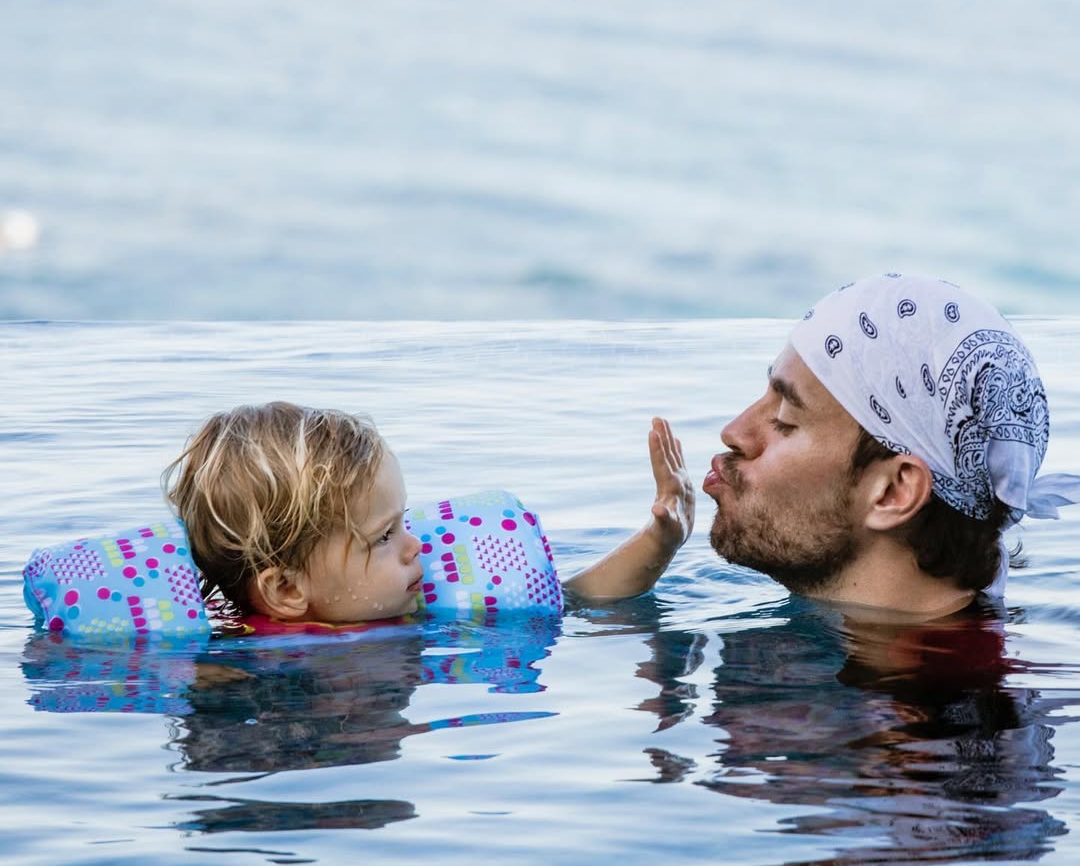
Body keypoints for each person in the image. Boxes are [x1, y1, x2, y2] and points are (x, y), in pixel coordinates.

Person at [592, 272, 1080, 619]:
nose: (734, 432)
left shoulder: (908, 740)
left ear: (893, 492)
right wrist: (655, 548)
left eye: (785, 419)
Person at [162, 401, 694, 629]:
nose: (415, 547)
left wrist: (659, 539)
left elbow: (575, 599)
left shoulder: (411, 608)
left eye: (404, 523)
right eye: (383, 536)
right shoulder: (234, 669)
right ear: (287, 591)